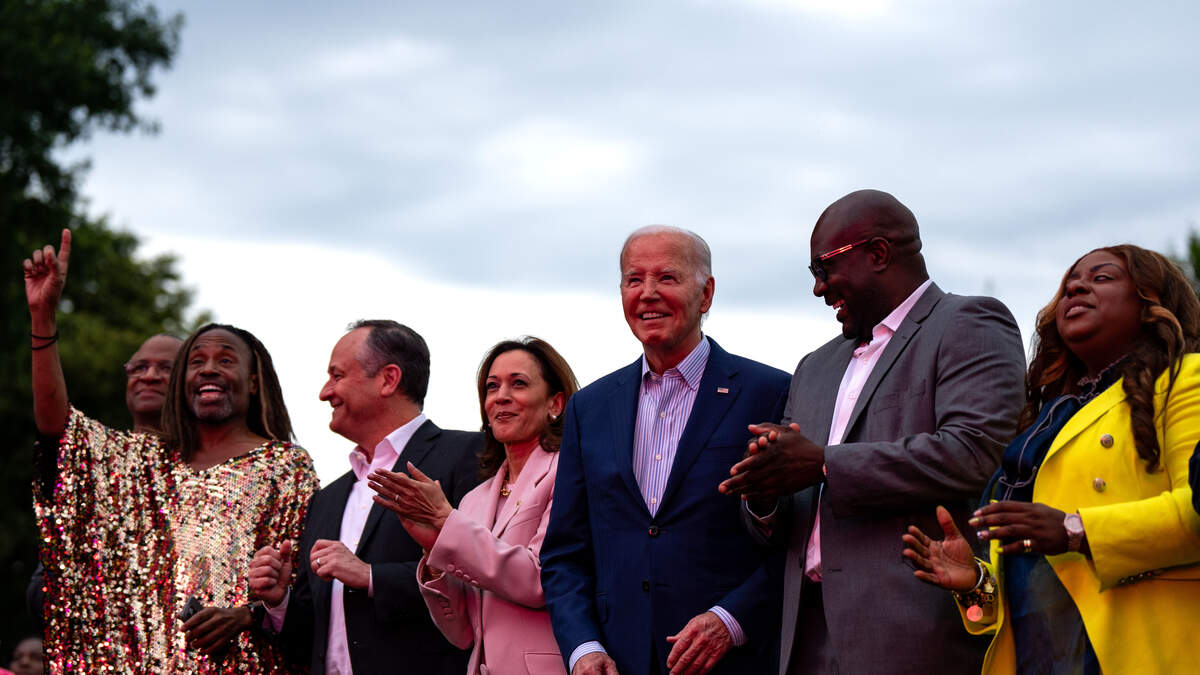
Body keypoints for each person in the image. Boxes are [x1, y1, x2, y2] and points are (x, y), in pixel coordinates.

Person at [719, 189, 1026, 675]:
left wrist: (823, 464)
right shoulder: (814, 366)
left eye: (823, 269)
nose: (818, 289)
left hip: (913, 636)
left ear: (878, 253)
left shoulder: (968, 323)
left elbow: (972, 452)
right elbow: (794, 502)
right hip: (804, 637)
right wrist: (764, 492)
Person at [24, 230, 319, 673]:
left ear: (254, 381)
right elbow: (56, 425)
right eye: (196, 361)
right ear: (183, 383)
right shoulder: (140, 460)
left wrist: (247, 615)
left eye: (225, 360)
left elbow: (304, 591)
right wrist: (43, 317)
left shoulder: (286, 466)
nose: (209, 369)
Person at [903, 245, 1200, 674]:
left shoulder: (1186, 379)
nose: (1075, 288)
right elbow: (1024, 595)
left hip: (1138, 651)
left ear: (1151, 303)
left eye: (1101, 278)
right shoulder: (1042, 422)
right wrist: (974, 583)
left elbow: (1196, 512)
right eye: (1068, 286)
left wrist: (1075, 530)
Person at [540, 226, 790, 675]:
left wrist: (730, 620)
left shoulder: (769, 392)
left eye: (667, 278)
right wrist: (583, 648)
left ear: (706, 294)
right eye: (634, 280)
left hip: (730, 662)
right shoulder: (589, 408)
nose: (648, 294)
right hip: (617, 661)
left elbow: (795, 540)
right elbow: (564, 554)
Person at [249, 320, 483, 674]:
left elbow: (483, 576)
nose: (325, 392)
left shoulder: (469, 456)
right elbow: (313, 635)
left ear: (388, 379)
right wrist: (279, 600)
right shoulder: (326, 499)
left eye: (337, 375)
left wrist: (372, 576)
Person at [369, 337, 580, 675]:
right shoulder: (474, 498)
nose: (501, 396)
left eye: (518, 383)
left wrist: (445, 521)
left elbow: (540, 581)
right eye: (492, 387)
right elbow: (462, 633)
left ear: (556, 402)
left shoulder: (568, 472)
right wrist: (433, 548)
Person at [26, 332, 183, 627]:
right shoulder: (94, 469)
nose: (149, 376)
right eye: (139, 367)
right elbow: (40, 596)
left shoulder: (212, 475)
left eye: (166, 368)